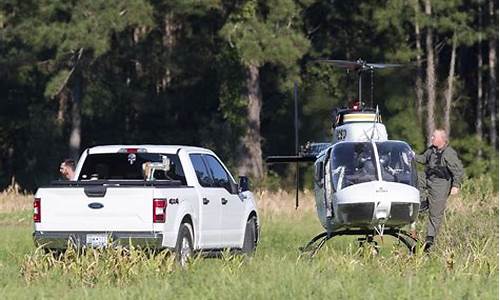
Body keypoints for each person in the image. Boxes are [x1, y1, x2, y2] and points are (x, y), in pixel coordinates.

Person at [414, 129, 464, 251]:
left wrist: (456, 185)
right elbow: (423, 159)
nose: (431, 138)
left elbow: (458, 171)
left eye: (434, 137)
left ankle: (429, 240)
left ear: (441, 139)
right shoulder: (431, 150)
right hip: (429, 178)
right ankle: (422, 203)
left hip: (441, 184)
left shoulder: (449, 153)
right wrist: (412, 155)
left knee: (435, 214)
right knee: (415, 178)